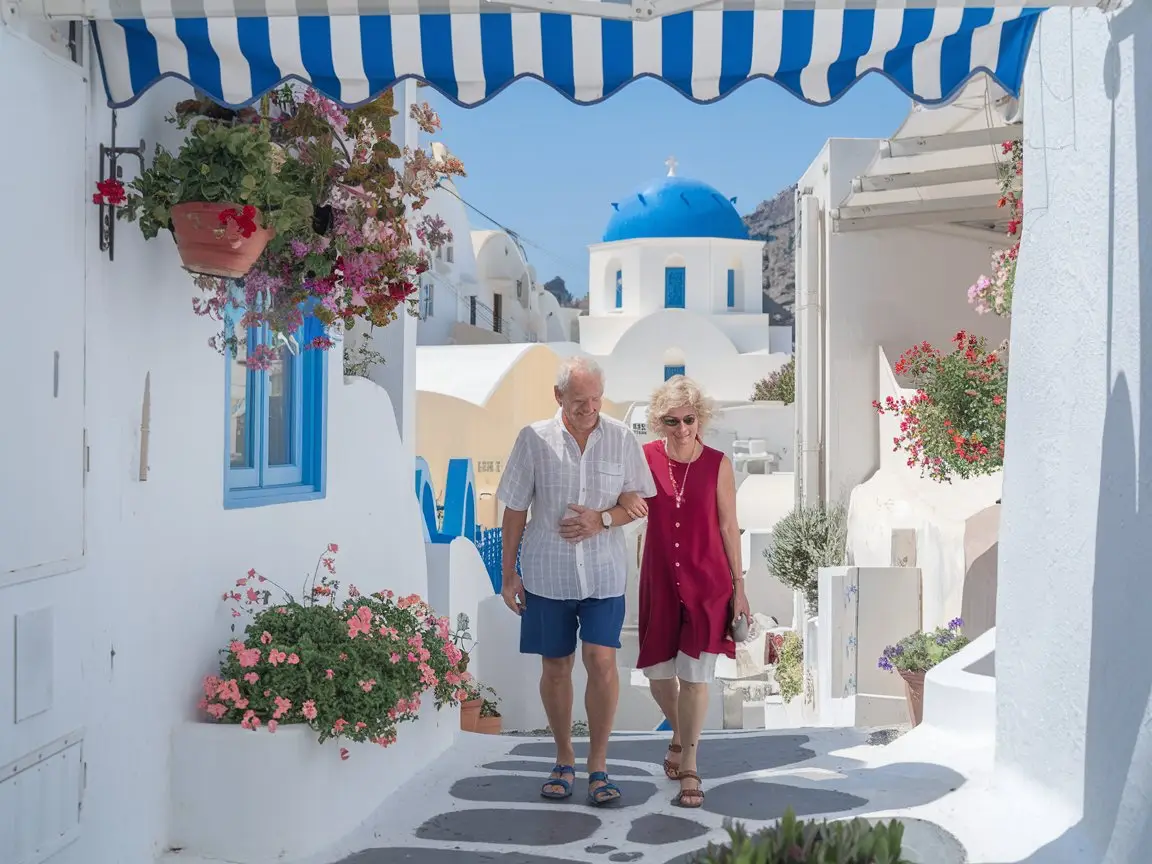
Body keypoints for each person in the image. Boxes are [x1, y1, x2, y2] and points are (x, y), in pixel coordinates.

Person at [497, 356, 656, 806]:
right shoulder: (533, 439)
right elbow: (513, 509)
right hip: (548, 574)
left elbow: (638, 504)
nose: (590, 408)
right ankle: (564, 757)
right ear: (559, 397)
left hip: (604, 574)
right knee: (556, 667)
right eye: (580, 401)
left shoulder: (622, 438)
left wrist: (602, 519)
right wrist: (509, 574)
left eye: (596, 399)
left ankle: (598, 765)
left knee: (602, 661)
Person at [630, 375, 750, 808]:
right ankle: (679, 734)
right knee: (658, 674)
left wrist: (740, 587)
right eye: (671, 420)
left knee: (695, 677)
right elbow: (627, 504)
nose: (682, 428)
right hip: (659, 580)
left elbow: (728, 527)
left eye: (689, 418)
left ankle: (691, 765)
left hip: (708, 581)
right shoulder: (643, 458)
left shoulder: (717, 463)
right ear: (658, 423)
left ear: (700, 418)